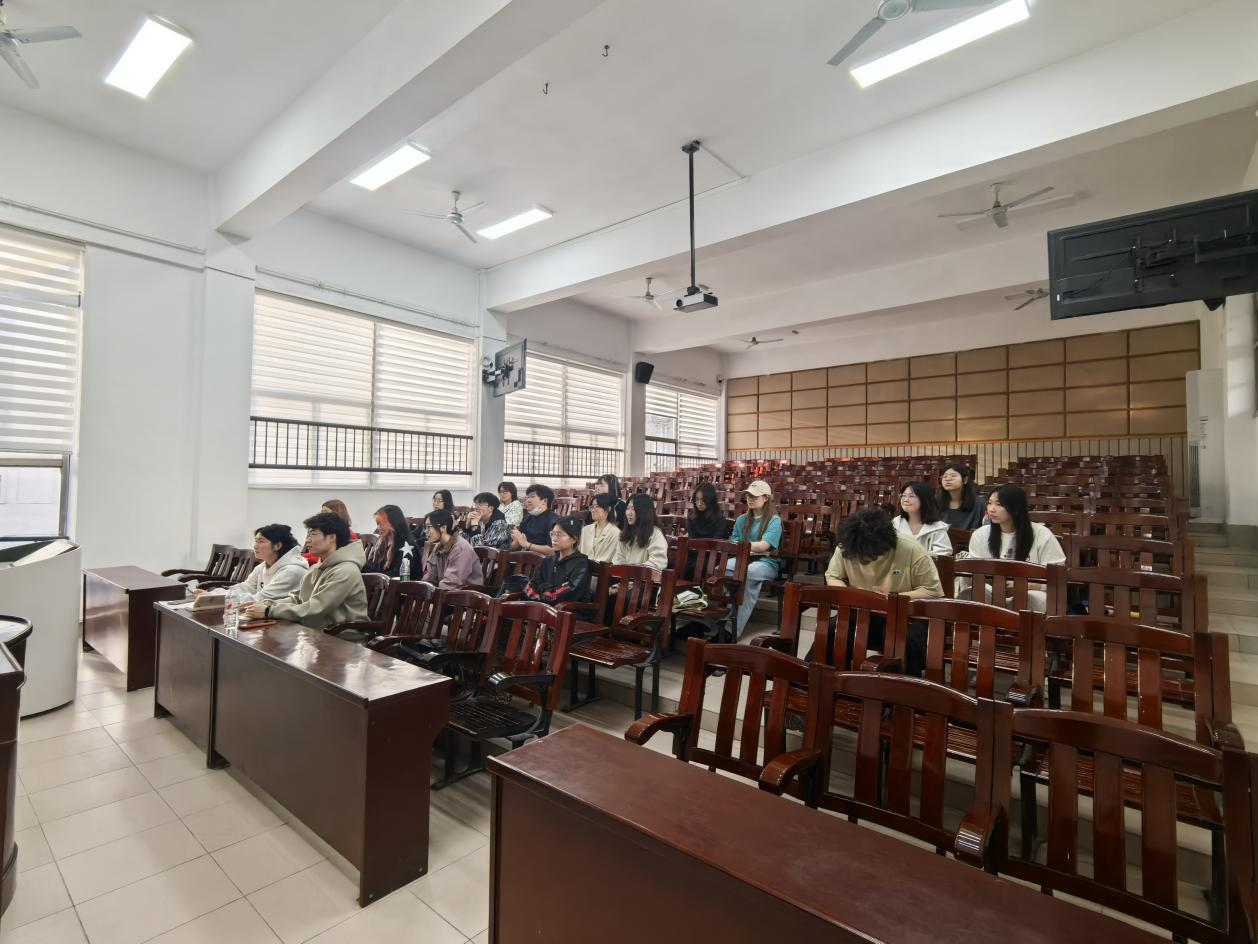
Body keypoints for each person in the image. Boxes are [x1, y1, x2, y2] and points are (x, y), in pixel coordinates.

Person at [824, 507, 943, 675]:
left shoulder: (911, 549)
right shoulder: (848, 545)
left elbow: (932, 591)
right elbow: (833, 576)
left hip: (905, 616)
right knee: (833, 630)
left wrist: (893, 598)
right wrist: (850, 596)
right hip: (862, 612)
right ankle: (824, 680)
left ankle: (905, 687)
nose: (864, 560)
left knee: (908, 641)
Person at [244, 511, 368, 630]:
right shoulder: (317, 567)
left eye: (313, 534)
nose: (307, 540)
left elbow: (317, 607)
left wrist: (269, 611)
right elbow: (298, 598)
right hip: (316, 631)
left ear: (331, 537)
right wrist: (267, 605)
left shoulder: (346, 570)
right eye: (308, 535)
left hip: (341, 637)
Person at [967, 484, 1065, 612]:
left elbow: (1057, 575)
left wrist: (1025, 585)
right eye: (989, 503)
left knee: (1025, 598)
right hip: (994, 590)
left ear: (1016, 508)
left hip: (1031, 592)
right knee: (974, 591)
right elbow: (974, 573)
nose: (991, 509)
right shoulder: (980, 534)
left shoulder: (1041, 534)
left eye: (999, 504)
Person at [195, 524, 308, 605]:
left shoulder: (292, 571)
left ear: (277, 545)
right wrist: (213, 595)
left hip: (287, 625)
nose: (255, 546)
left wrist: (215, 599)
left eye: (261, 541)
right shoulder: (262, 566)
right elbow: (245, 587)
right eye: (256, 541)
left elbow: (261, 599)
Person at [726, 480, 783, 639]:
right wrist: (747, 548)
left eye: (754, 496)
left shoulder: (774, 520)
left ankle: (731, 629)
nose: (750, 499)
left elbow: (764, 545)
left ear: (766, 498)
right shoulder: (741, 520)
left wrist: (745, 547)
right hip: (743, 559)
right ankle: (711, 620)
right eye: (748, 496)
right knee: (721, 568)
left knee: (749, 573)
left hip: (766, 562)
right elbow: (733, 543)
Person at [521, 516, 591, 605]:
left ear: (573, 539)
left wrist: (543, 588)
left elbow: (566, 594)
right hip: (542, 606)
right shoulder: (548, 560)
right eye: (552, 534)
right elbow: (532, 585)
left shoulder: (580, 564)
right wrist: (547, 590)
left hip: (566, 610)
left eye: (559, 535)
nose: (554, 539)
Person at [423, 509, 482, 590]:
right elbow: (430, 577)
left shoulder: (460, 547)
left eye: (429, 527)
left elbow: (452, 583)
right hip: (447, 592)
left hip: (465, 595)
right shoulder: (438, 547)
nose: (425, 531)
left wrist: (433, 595)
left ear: (443, 527)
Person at [893, 482, 953, 556]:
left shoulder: (937, 527)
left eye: (911, 496)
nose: (906, 499)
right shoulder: (896, 523)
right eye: (903, 495)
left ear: (924, 499)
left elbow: (943, 553)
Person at [613, 493, 668, 569]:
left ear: (644, 512)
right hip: (625, 576)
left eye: (633, 509)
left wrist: (632, 571)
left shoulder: (656, 535)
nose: (629, 513)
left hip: (643, 576)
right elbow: (618, 561)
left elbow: (658, 563)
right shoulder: (625, 534)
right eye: (628, 508)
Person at [304, 498, 358, 564]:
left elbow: (330, 555)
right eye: (321, 512)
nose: (322, 515)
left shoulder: (348, 534)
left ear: (337, 513)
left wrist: (303, 559)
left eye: (325, 512)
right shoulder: (320, 533)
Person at [511, 483, 557, 556]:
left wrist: (527, 545)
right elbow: (518, 543)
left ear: (544, 501)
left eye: (532, 497)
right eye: (527, 497)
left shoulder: (553, 521)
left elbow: (553, 551)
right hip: (525, 558)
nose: (528, 500)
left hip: (543, 561)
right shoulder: (527, 518)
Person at [363, 505, 410, 577]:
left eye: (381, 524)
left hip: (400, 583)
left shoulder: (406, 545)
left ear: (393, 523)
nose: (378, 528)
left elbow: (402, 577)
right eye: (377, 524)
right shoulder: (383, 541)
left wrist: (370, 571)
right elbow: (373, 564)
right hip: (382, 582)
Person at [936, 464, 984, 530]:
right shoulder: (935, 502)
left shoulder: (979, 504)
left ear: (965, 480)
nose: (948, 479)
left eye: (953, 476)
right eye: (944, 476)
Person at [579, 493, 621, 562]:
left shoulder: (615, 534)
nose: (593, 510)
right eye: (592, 507)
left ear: (608, 509)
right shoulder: (585, 530)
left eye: (597, 506)